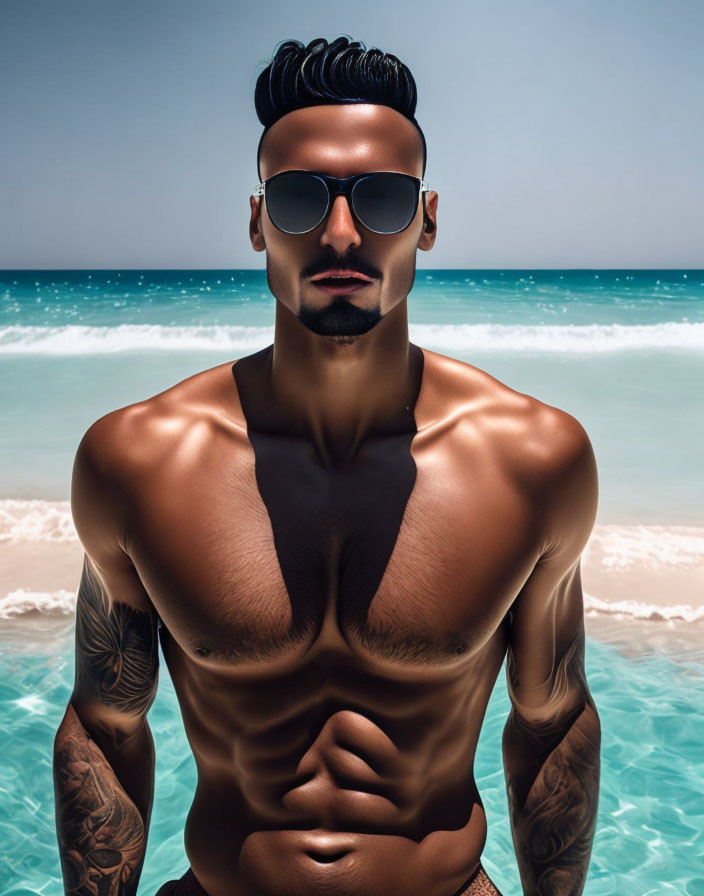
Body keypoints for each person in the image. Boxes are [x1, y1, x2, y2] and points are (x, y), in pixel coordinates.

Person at [53, 36, 601, 896]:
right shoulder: (139, 460)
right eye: (300, 198)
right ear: (256, 221)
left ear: (425, 219)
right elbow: (106, 725)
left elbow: (552, 718)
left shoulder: (532, 459)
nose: (341, 233)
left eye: (381, 199)